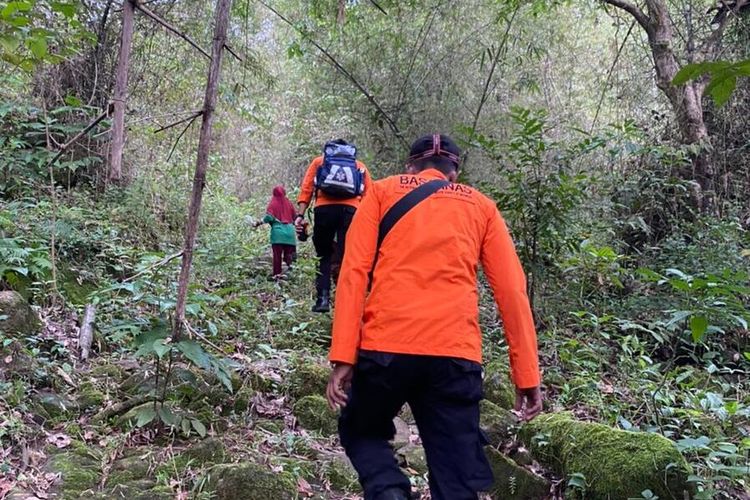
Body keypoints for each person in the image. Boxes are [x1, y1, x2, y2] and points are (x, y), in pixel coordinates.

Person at [325, 134, 543, 500]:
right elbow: (512, 291)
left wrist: (344, 357)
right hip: (455, 356)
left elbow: (353, 273)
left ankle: (389, 492)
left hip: (385, 351)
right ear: (455, 172)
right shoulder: (482, 206)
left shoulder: (381, 192)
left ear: (410, 167)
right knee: (456, 479)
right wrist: (527, 374)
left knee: (361, 430)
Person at [295, 139, 372, 313]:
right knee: (348, 256)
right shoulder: (359, 165)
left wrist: (300, 215)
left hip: (324, 210)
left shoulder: (319, 162)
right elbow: (369, 195)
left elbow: (306, 189)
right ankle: (347, 302)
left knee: (323, 255)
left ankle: (323, 300)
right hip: (351, 211)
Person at [255, 185, 297, 279]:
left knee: (277, 258)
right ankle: (289, 277)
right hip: (290, 234)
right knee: (289, 257)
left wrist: (258, 222)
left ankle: (277, 276)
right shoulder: (289, 203)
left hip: (278, 235)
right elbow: (295, 218)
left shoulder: (273, 203)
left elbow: (269, 217)